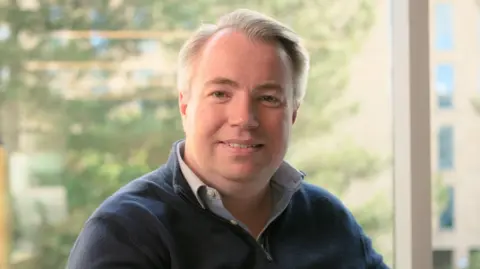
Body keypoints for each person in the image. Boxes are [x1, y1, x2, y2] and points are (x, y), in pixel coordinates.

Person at [67, 8, 389, 269]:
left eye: (268, 98)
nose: (244, 119)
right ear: (185, 105)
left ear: (292, 114)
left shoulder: (328, 220)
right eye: (220, 93)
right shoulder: (125, 233)